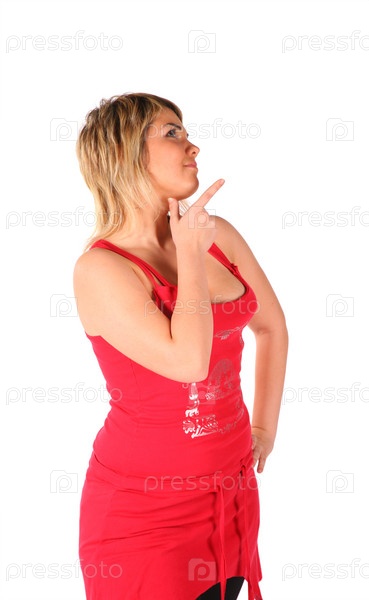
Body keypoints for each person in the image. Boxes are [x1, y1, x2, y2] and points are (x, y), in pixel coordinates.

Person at [73, 92, 288, 600]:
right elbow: (189, 362)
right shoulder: (101, 268)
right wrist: (189, 253)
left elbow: (272, 327)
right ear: (124, 152)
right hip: (145, 515)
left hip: (230, 494)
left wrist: (263, 428)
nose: (193, 146)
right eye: (172, 133)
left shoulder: (219, 235)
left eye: (186, 132)